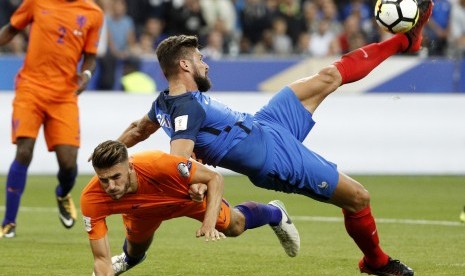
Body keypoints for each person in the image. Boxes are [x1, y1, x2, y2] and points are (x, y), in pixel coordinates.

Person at [116, 0, 434, 275]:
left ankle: (407, 42)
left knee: (329, 76)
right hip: (275, 160)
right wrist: (197, 182)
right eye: (200, 59)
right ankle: (376, 262)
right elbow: (178, 162)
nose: (206, 63)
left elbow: (137, 129)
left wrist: (111, 151)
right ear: (185, 65)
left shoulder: (163, 103)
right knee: (358, 197)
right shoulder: (184, 108)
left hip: (266, 123)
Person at [82, 140, 300, 275]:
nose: (110, 186)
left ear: (130, 166)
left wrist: (209, 222)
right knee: (135, 251)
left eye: (116, 177)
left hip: (186, 199)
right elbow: (101, 260)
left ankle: (275, 213)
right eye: (104, 180)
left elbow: (214, 178)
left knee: (234, 226)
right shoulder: (92, 198)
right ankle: (128, 260)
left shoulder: (158, 163)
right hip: (141, 211)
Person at [0, 0, 103, 238]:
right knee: (24, 151)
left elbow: (90, 56)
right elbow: (11, 29)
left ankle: (62, 192)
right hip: (30, 88)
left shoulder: (93, 13)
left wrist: (86, 75)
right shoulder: (36, 2)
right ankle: (9, 223)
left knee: (68, 164)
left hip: (64, 95)